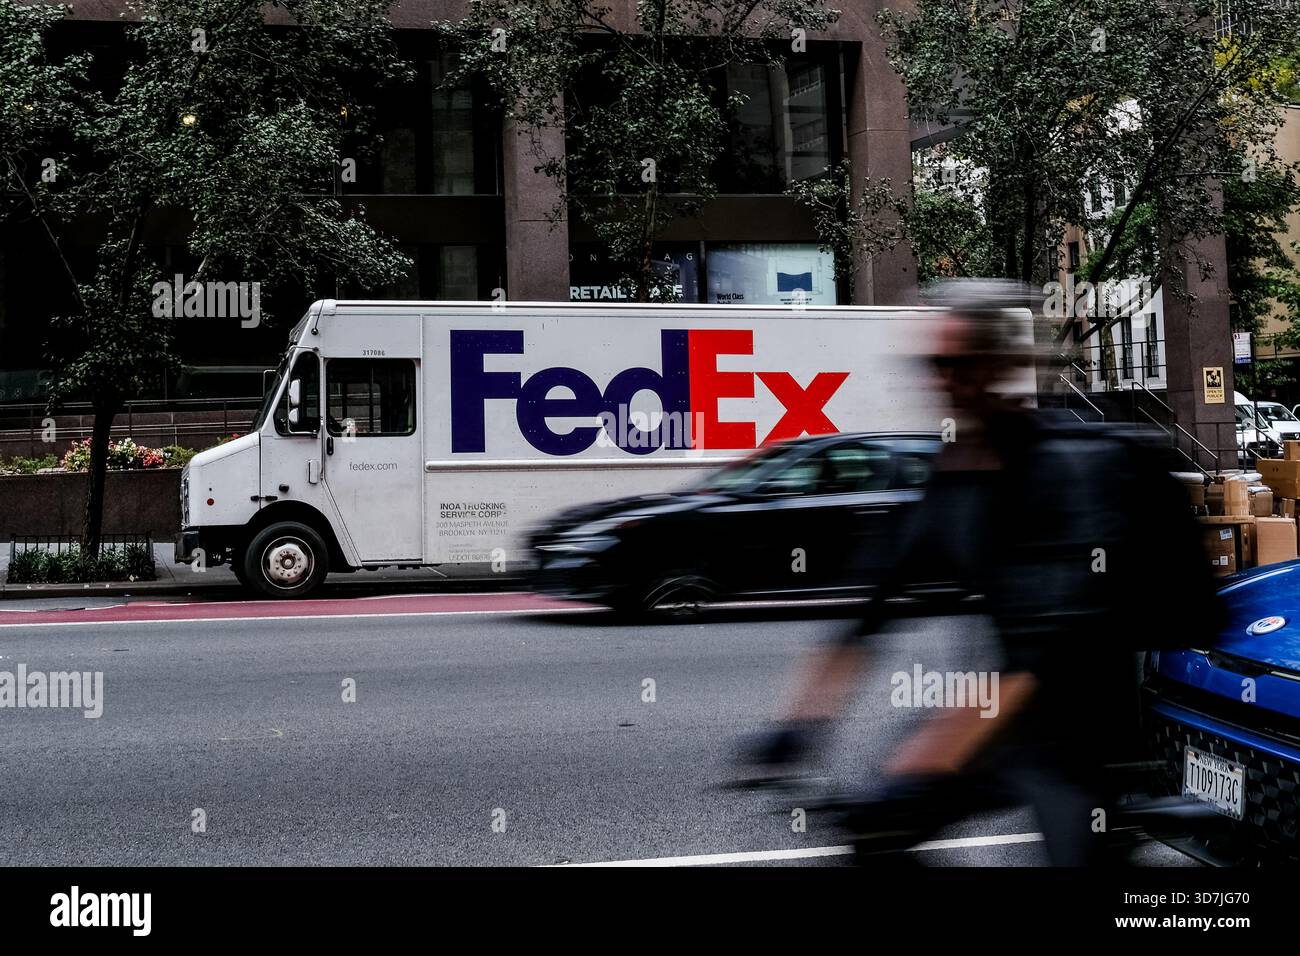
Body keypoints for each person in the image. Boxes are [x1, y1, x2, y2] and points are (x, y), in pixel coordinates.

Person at [738, 286, 1222, 866]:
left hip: (1079, 726)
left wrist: (922, 760)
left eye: (958, 363)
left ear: (1000, 366)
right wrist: (797, 725)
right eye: (935, 364)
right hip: (1000, 713)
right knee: (879, 831)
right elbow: (869, 612)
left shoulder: (1062, 471)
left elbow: (1042, 651)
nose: (943, 379)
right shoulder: (953, 476)